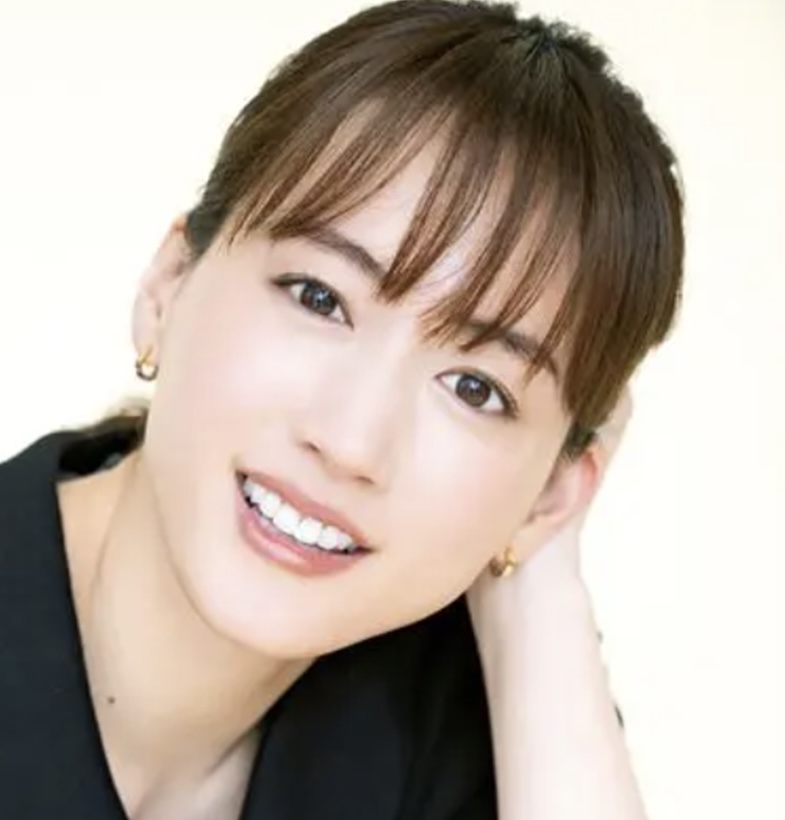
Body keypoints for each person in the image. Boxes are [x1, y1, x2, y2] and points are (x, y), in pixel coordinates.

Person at [0, 1, 684, 818]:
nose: (350, 441)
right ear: (169, 287)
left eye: (475, 389)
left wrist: (531, 582)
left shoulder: (459, 727)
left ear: (550, 495)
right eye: (318, 297)